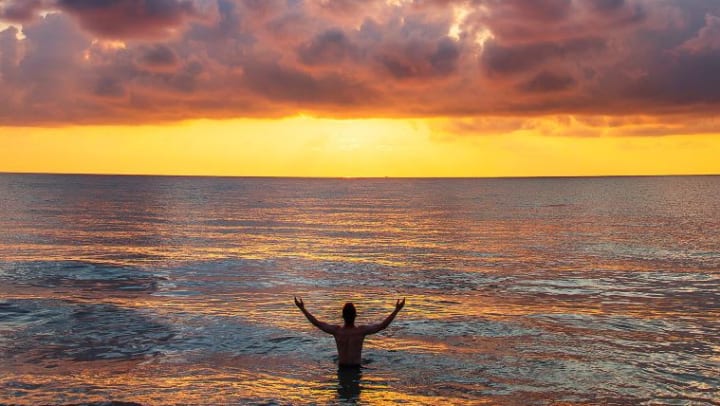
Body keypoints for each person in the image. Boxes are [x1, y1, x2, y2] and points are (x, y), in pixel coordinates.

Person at [294, 296, 405, 368]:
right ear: (355, 316)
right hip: (357, 369)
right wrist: (397, 309)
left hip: (341, 368)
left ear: (342, 316)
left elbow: (316, 323)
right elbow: (383, 326)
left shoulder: (337, 331)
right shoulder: (361, 331)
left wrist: (302, 308)